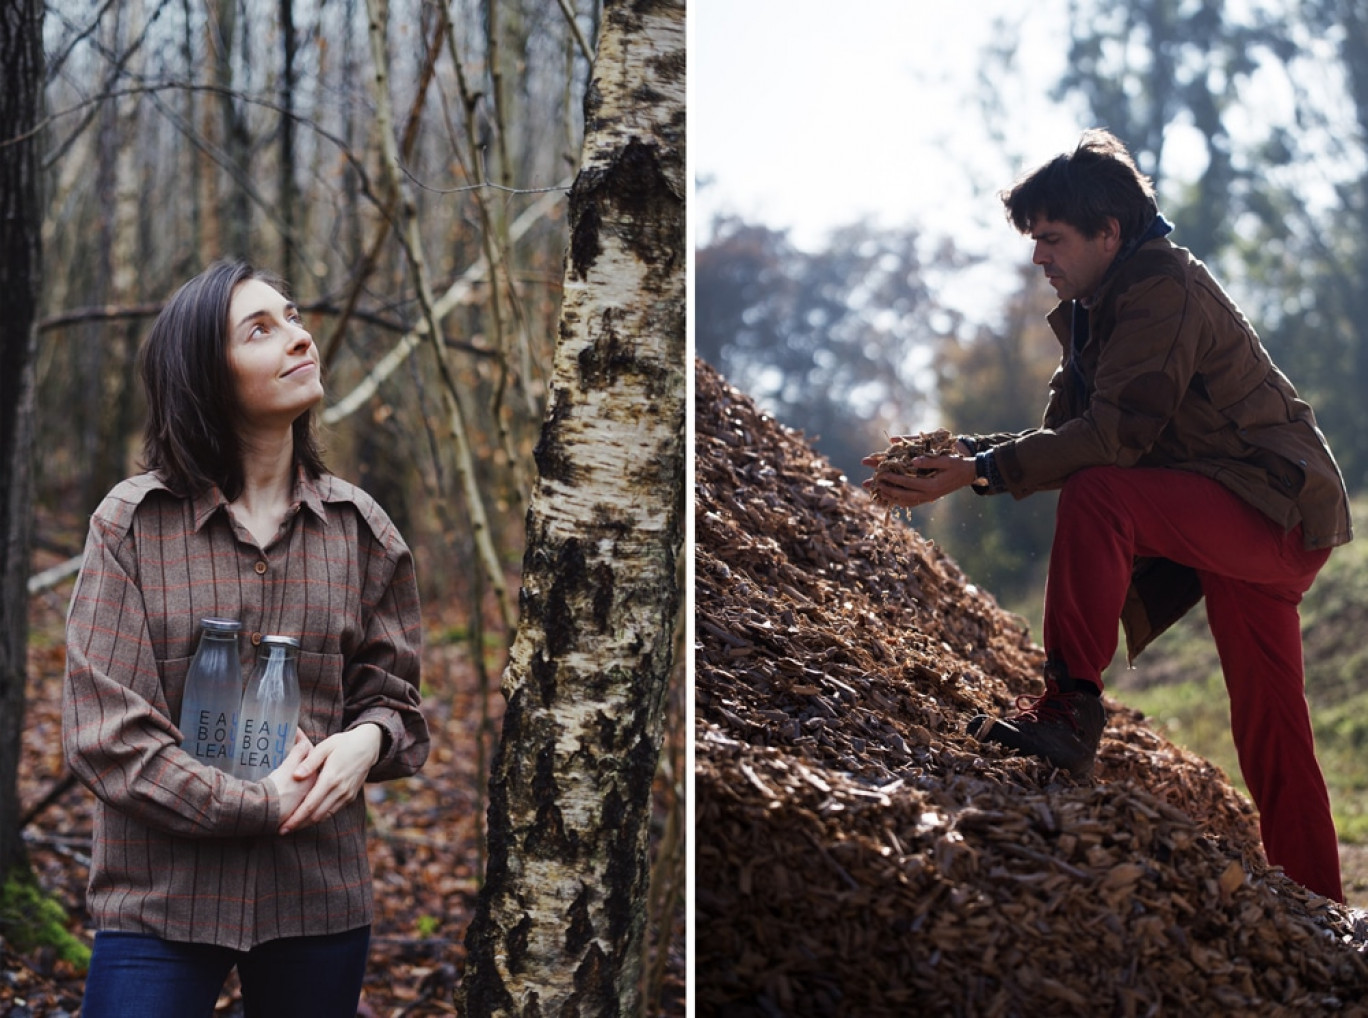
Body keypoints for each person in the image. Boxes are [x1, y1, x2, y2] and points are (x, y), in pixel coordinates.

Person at [863, 129, 1352, 902]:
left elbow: (1112, 444)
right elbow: (1066, 440)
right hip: (1240, 512)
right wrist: (960, 456)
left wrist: (979, 471)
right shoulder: (1098, 305)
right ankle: (1330, 915)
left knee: (1103, 494)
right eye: (1034, 241)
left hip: (1275, 509)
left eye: (1051, 239)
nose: (1037, 258)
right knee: (1273, 737)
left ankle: (1071, 707)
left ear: (1108, 233)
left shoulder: (1161, 289)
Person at [62, 259, 431, 1016]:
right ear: (205, 374)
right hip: (158, 905)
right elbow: (106, 735)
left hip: (318, 902)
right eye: (261, 330)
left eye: (293, 318)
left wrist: (367, 742)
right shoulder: (132, 524)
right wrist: (255, 803)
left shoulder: (364, 531)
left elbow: (397, 705)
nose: (299, 339)